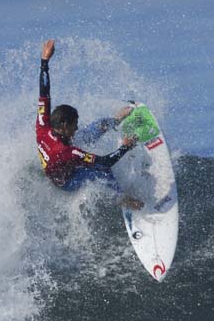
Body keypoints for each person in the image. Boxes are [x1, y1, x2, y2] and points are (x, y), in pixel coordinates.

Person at [36, 39, 143, 209]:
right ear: (64, 125)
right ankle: (123, 199)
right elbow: (104, 162)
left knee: (100, 125)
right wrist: (125, 147)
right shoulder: (67, 152)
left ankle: (115, 120)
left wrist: (44, 62)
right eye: (74, 125)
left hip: (62, 153)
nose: (77, 128)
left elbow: (44, 92)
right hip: (67, 180)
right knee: (102, 172)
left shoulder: (43, 125)